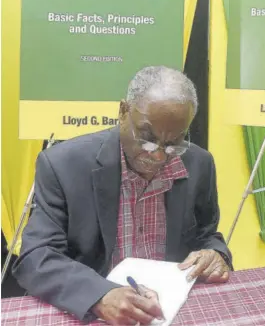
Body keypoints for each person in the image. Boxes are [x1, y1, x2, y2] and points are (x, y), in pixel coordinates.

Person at [13, 66, 232, 325]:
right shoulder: (63, 165)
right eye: (147, 138)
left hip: (169, 312)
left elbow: (206, 235)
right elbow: (37, 256)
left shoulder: (199, 163)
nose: (159, 156)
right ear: (122, 111)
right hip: (95, 314)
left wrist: (215, 254)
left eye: (174, 143)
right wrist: (100, 295)